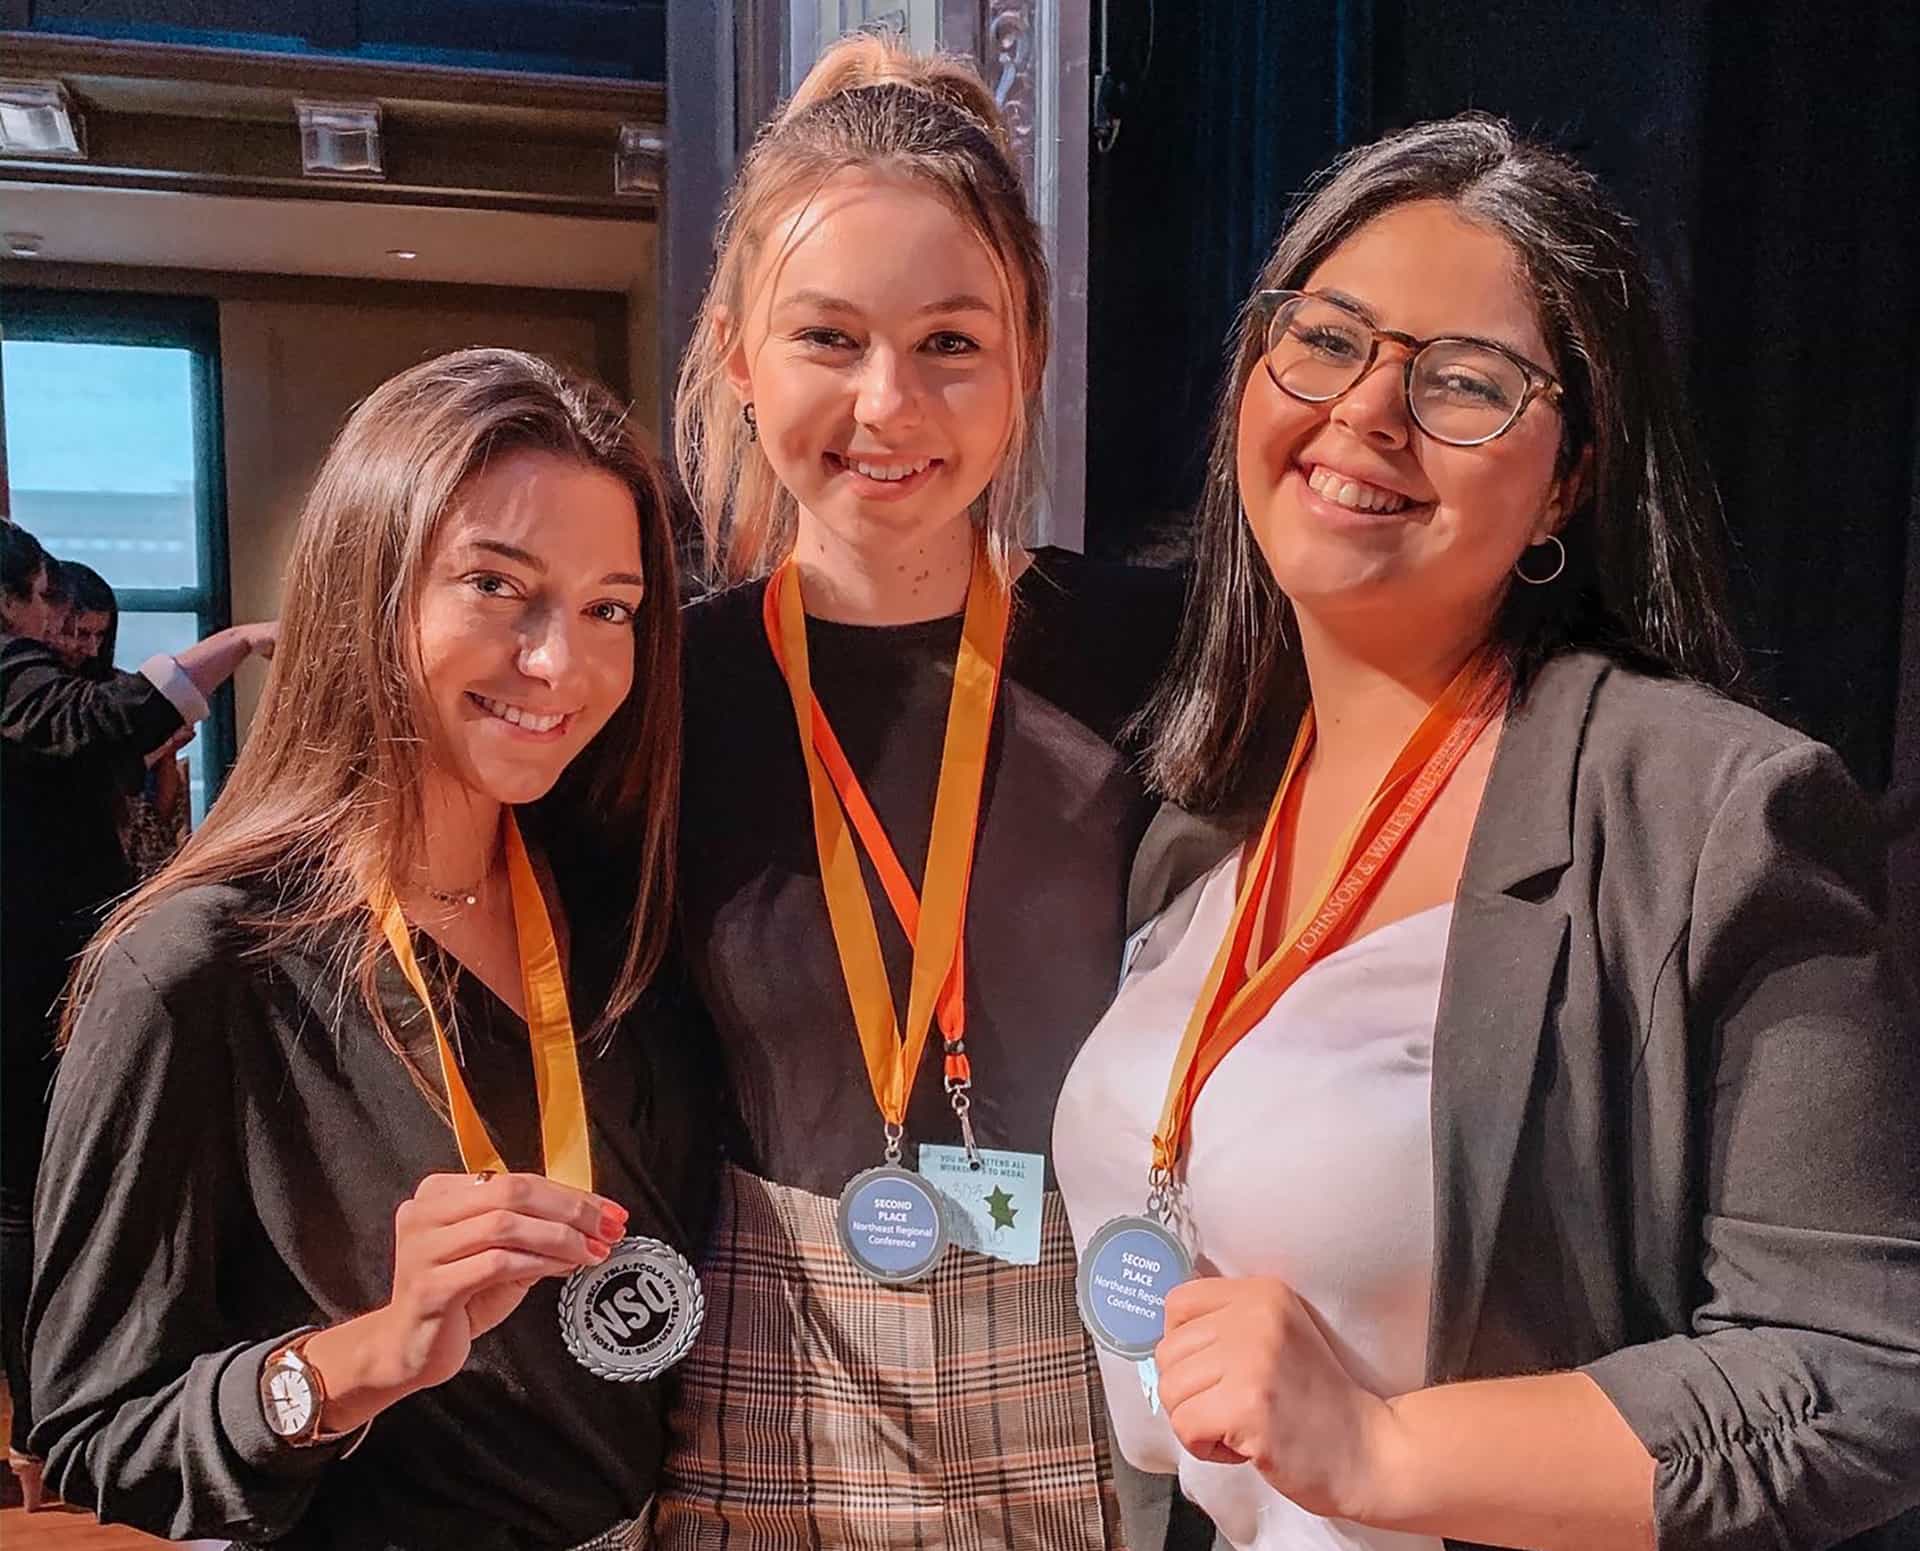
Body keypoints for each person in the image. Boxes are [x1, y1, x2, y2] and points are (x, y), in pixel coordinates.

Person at [1053, 114, 1920, 1551]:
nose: (1368, 413)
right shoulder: (1205, 816)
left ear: (1569, 476)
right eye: (1326, 341)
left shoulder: (1711, 814)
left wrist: (1386, 1447)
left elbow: (1861, 1366)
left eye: (1465, 381)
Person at [28, 349, 715, 1549]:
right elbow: (95, 1435)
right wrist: (369, 1353)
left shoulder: (620, 923)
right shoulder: (197, 969)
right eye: (498, 586)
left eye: (610, 608)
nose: (562, 662)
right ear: (370, 591)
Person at [658, 32, 1182, 1550]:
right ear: (740, 355)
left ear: (1025, 363)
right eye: (828, 338)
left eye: (951, 342)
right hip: (768, 1363)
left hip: (1080, 1358)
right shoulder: (662, 687)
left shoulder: (1153, 650)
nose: (889, 402)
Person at [1, 521, 266, 1511]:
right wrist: (235, 644)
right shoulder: (16, 673)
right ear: (20, 598)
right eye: (45, 605)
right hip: (31, 974)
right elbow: (83, 726)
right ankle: (61, 1415)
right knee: (32, 1193)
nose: (57, 629)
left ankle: (59, 1410)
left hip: (55, 961)